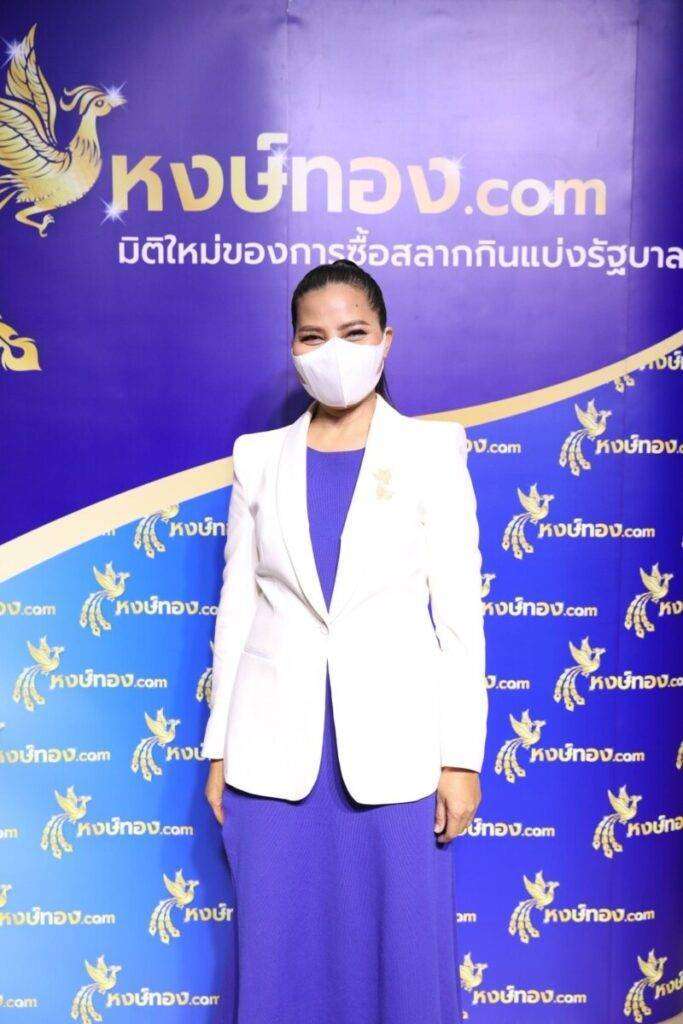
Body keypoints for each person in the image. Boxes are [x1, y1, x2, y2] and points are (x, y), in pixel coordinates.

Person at [202, 258, 488, 1023]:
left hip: (395, 754)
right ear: (293, 349)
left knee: (401, 957)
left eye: (353, 332)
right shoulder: (257, 458)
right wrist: (219, 748)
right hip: (270, 755)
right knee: (276, 958)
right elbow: (237, 610)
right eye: (313, 335)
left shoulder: (432, 451)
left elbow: (459, 617)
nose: (333, 350)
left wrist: (460, 758)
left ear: (385, 340)